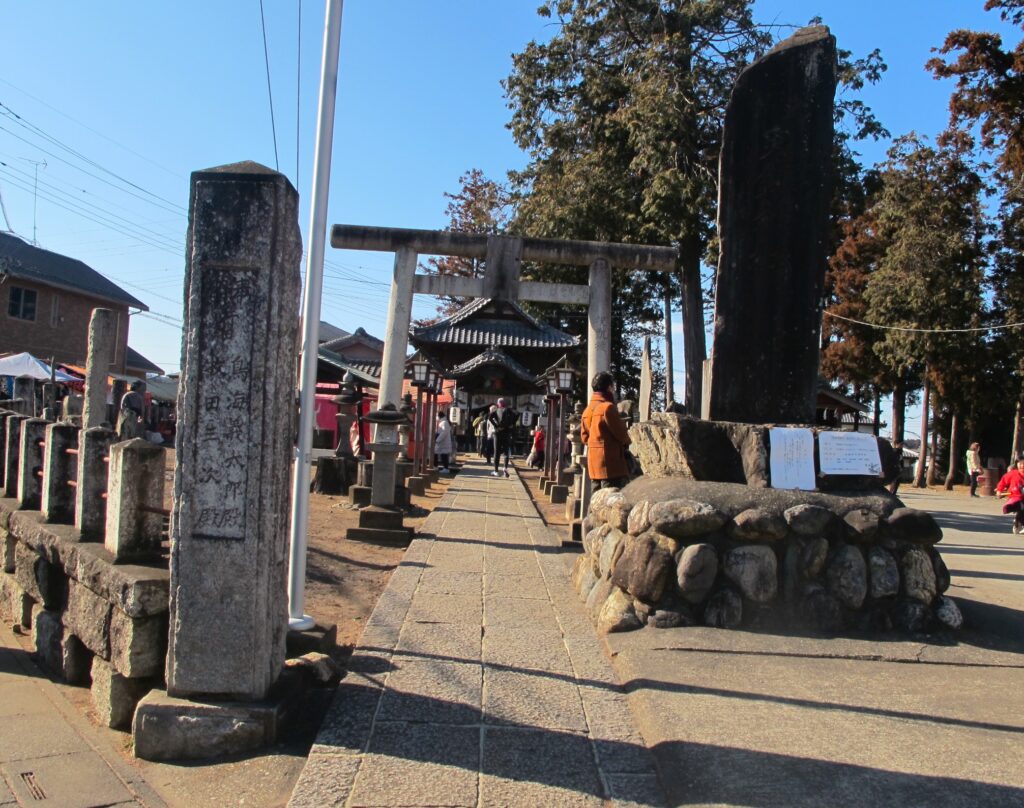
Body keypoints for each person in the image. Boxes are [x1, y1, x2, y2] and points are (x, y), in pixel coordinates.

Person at [581, 371, 631, 489]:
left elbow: (584, 438)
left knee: (596, 500)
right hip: (611, 463)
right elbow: (621, 434)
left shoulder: (587, 410)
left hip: (594, 463)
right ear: (609, 387)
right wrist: (627, 441)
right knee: (610, 500)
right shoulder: (607, 407)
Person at [996, 456, 1024, 534]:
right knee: (1021, 506)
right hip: (1015, 497)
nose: (1022, 465)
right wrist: (999, 490)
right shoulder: (1013, 473)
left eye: (1023, 463)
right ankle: (1019, 523)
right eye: (1020, 463)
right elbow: (1003, 481)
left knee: (1022, 509)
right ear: (1017, 464)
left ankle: (1017, 523)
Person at [488, 398, 516, 477]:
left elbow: (490, 417)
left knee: (496, 452)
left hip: (497, 433)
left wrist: (496, 425)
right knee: (506, 452)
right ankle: (505, 468)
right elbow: (517, 414)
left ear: (498, 404)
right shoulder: (509, 410)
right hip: (506, 433)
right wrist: (511, 424)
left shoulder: (496, 410)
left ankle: (496, 471)